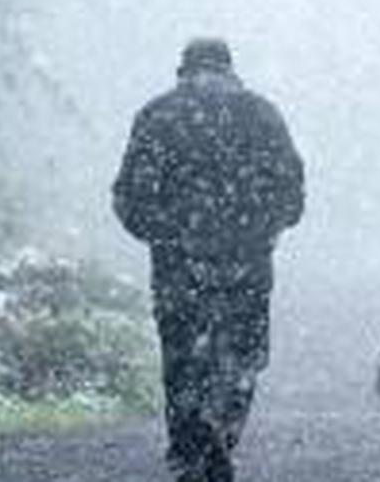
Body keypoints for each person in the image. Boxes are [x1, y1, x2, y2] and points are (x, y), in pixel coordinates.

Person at [113, 37, 305, 482]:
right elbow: (292, 194)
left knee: (182, 355)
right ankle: (223, 424)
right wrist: (262, 229)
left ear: (183, 70)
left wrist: (165, 235)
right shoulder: (262, 114)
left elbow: (129, 196)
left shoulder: (158, 115)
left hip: (179, 264)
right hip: (248, 260)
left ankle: (188, 445)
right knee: (242, 353)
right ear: (229, 68)